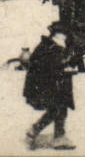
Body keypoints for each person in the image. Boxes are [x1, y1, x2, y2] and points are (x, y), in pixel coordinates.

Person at [24, 21, 78, 150]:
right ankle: (58, 137)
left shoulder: (49, 45)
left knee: (58, 108)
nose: (65, 37)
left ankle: (36, 129)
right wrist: (65, 68)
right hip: (44, 86)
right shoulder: (51, 47)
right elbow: (48, 67)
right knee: (59, 107)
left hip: (48, 84)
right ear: (57, 34)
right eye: (63, 34)